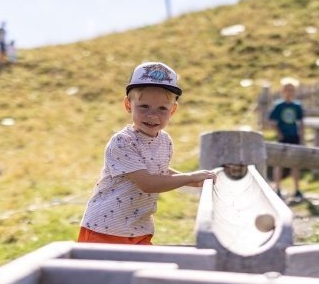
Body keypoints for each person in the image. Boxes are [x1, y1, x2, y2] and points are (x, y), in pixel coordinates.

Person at [78, 62, 216, 245]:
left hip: (139, 227)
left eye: (162, 108)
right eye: (144, 106)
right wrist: (189, 177)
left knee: (141, 271)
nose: (152, 115)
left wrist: (189, 179)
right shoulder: (122, 142)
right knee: (105, 274)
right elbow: (148, 183)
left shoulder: (164, 140)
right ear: (128, 105)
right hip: (105, 228)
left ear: (173, 110)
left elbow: (159, 170)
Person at [269, 77, 304, 201]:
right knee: (279, 163)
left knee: (295, 164)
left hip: (294, 137)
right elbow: (273, 122)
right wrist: (279, 133)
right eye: (287, 90)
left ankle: (297, 189)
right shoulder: (279, 106)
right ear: (283, 91)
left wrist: (301, 135)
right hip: (283, 138)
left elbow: (300, 122)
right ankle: (277, 188)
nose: (289, 92)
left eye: (292, 90)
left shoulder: (297, 106)